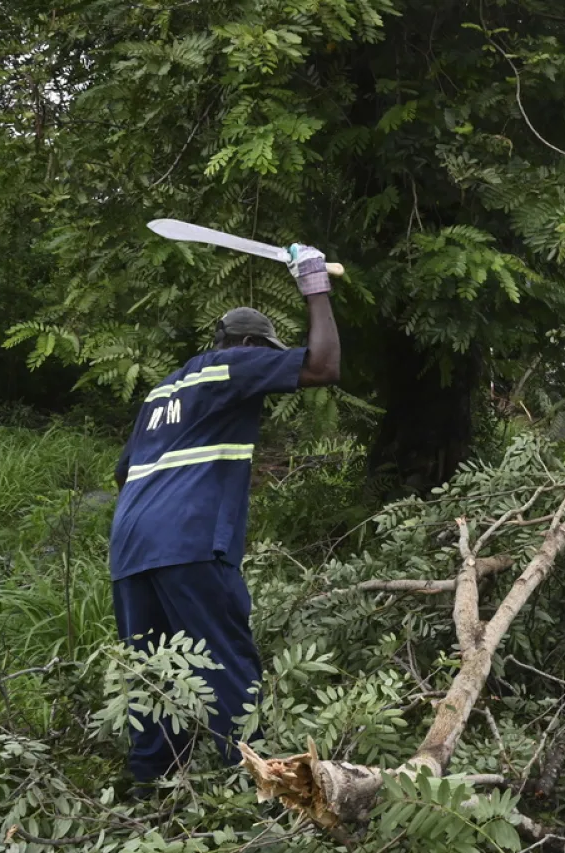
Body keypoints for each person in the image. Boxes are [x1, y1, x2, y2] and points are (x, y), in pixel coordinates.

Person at [109, 244, 340, 789]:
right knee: (226, 663)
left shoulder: (163, 392)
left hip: (130, 545)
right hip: (188, 542)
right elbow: (323, 366)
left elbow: (124, 472)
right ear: (246, 346)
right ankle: (250, 791)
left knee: (154, 675)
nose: (265, 369)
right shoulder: (233, 366)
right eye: (264, 354)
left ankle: (149, 789)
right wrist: (314, 285)